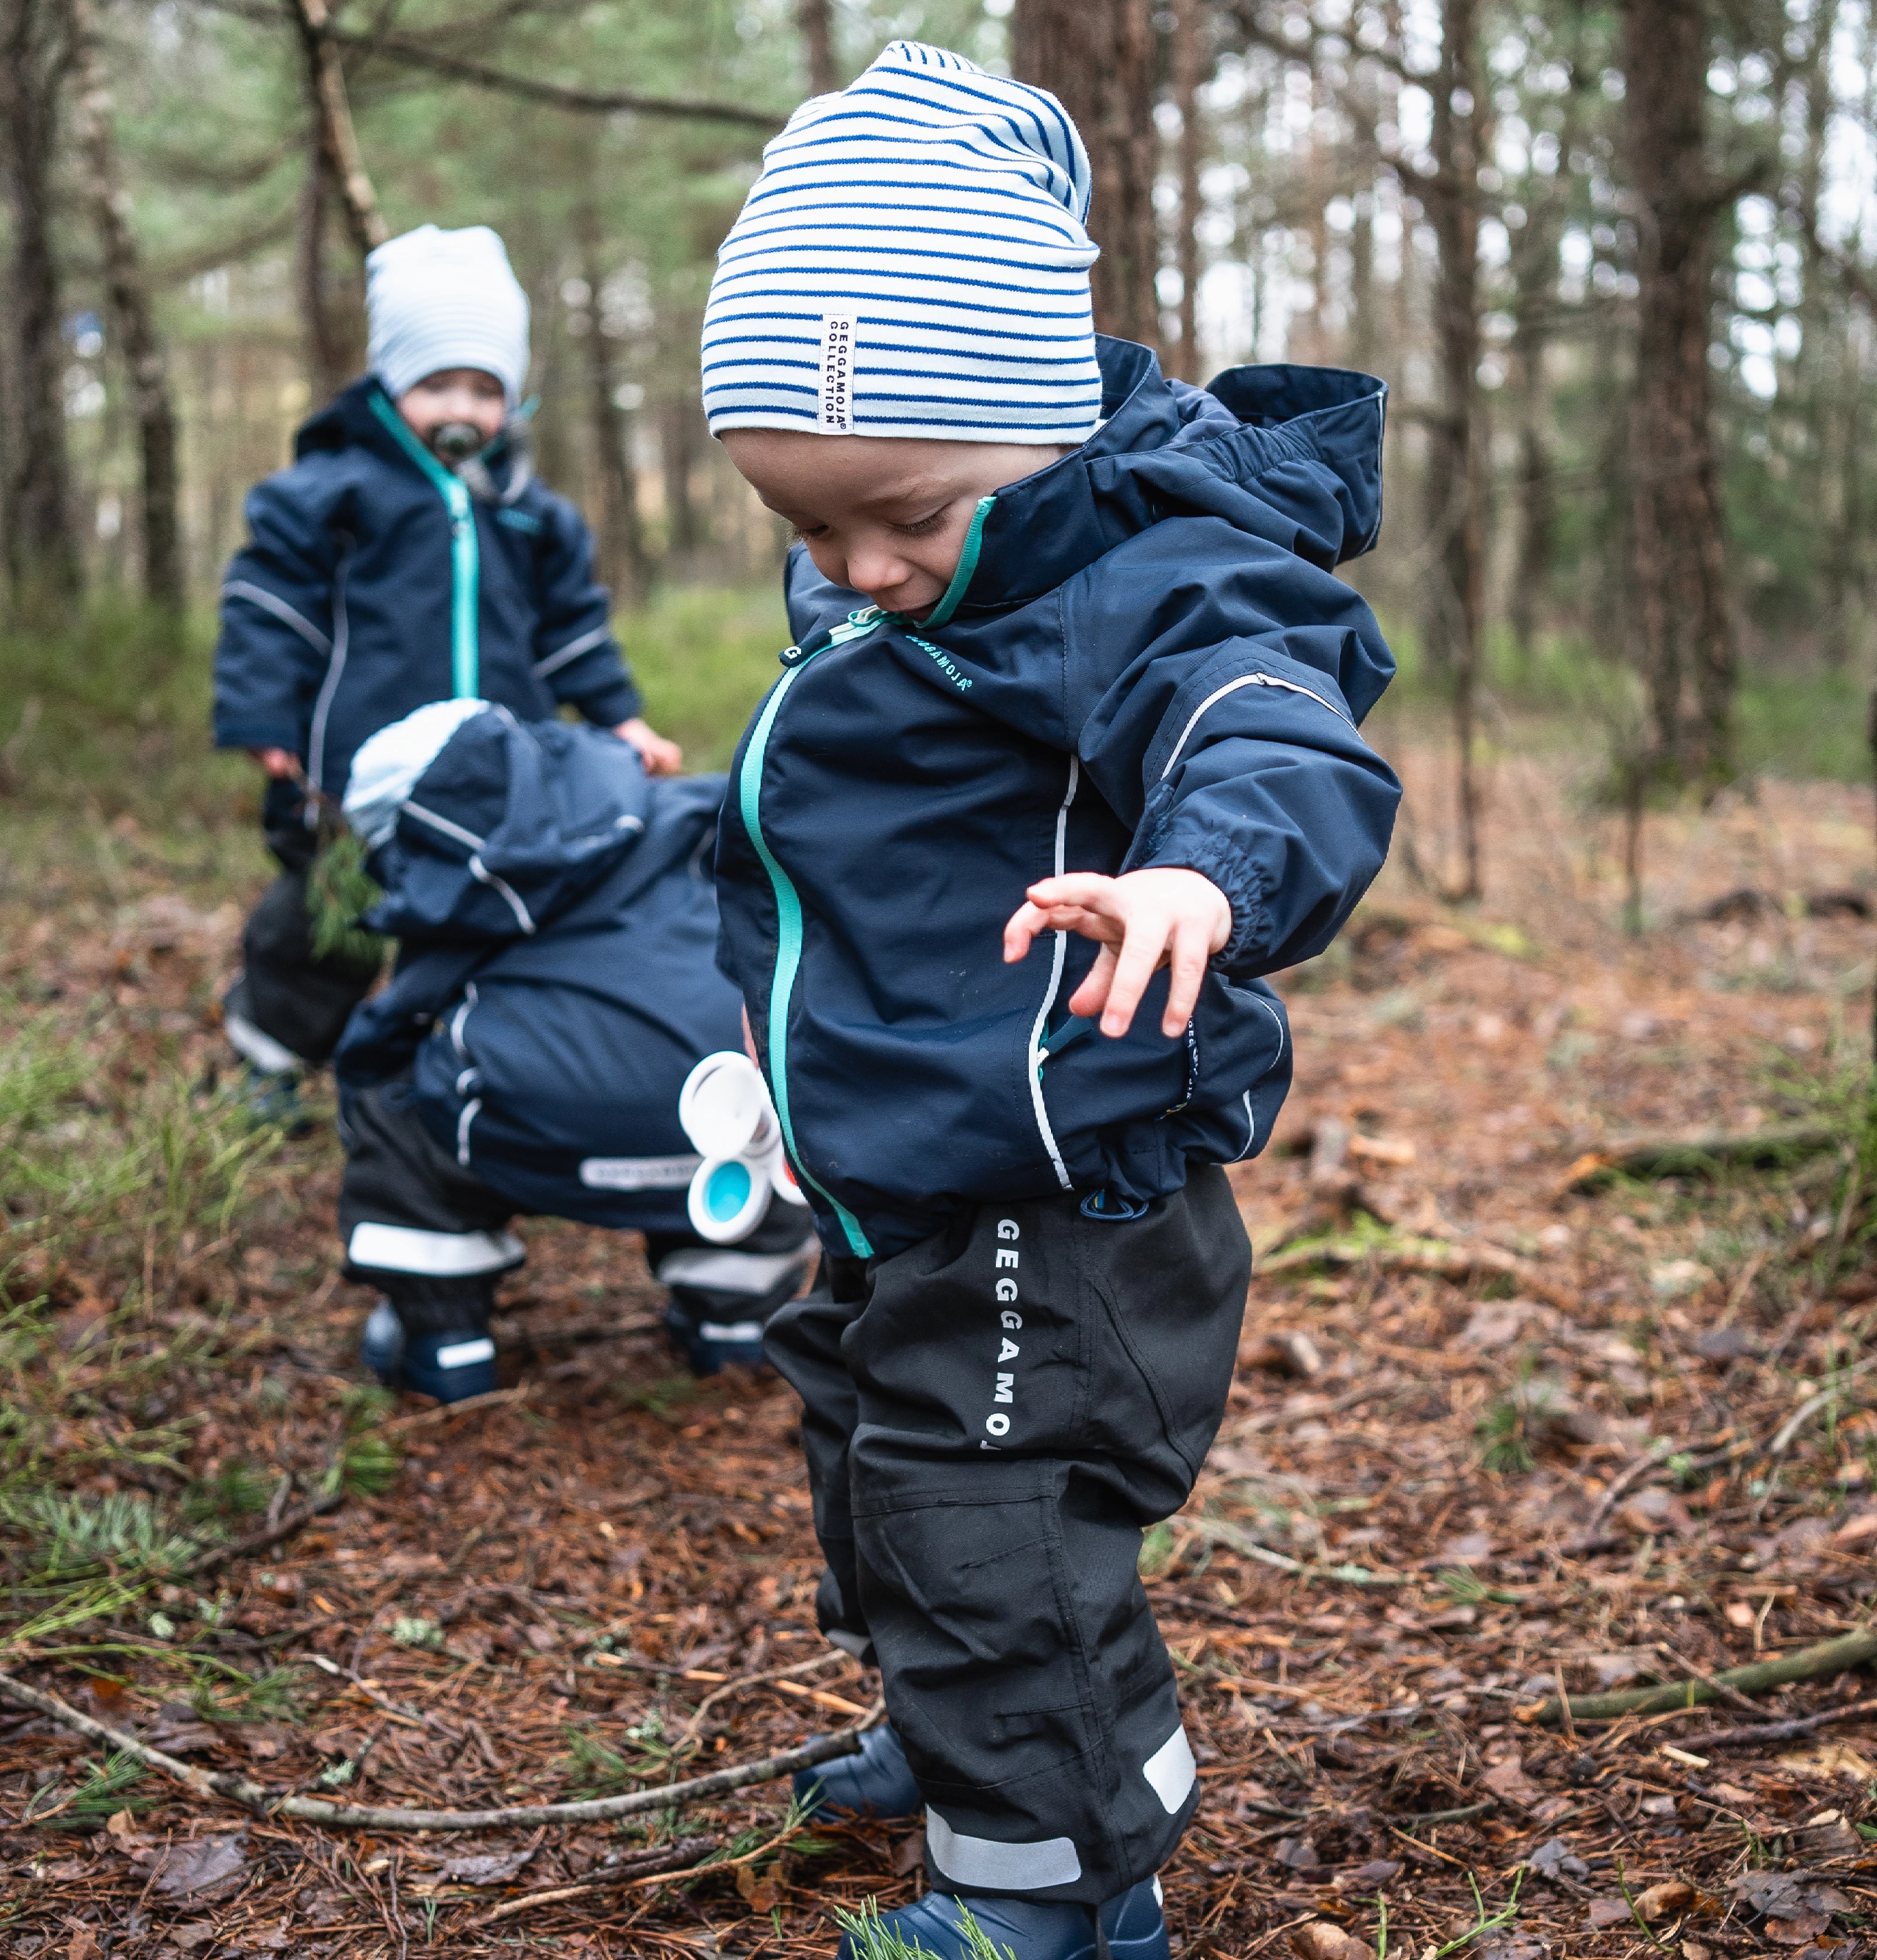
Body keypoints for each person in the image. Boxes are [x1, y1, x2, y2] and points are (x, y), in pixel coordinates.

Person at [700, 42, 1403, 1960]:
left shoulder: (1149, 573)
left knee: (985, 1509)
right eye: (807, 520)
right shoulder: (901, 598)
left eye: (901, 514)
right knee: (877, 1457)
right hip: (913, 1165)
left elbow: (1272, 726)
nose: (856, 566)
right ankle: (963, 1727)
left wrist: (1205, 870)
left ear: (1019, 418)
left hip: (1066, 1181)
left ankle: (1053, 1889)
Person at [212, 223, 680, 1116]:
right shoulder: (333, 492)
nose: (461, 408)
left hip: (496, 771)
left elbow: (571, 628)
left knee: (495, 908)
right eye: (436, 385)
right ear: (390, 384)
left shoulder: (531, 514)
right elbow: (270, 609)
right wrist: (265, 720)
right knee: (328, 919)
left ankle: (465, 1063)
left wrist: (620, 717)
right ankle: (271, 1052)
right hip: (355, 772)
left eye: (484, 388)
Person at [331, 700, 814, 1401]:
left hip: (530, 1121)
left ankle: (444, 1338)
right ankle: (733, 1319)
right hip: (720, 1121)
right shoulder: (656, 801)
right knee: (767, 1091)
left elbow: (397, 1017)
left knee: (394, 1108)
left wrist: (361, 1086)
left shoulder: (460, 878)